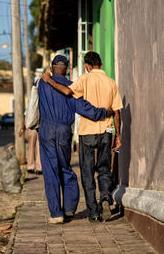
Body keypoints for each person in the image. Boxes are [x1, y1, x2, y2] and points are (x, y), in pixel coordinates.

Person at [42, 51, 123, 222]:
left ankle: (90, 213)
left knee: (84, 172)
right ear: (100, 65)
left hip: (80, 132)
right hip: (105, 131)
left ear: (86, 66)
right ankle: (104, 198)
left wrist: (49, 80)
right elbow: (115, 112)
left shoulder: (81, 81)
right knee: (102, 169)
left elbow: (63, 92)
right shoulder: (111, 83)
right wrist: (117, 134)